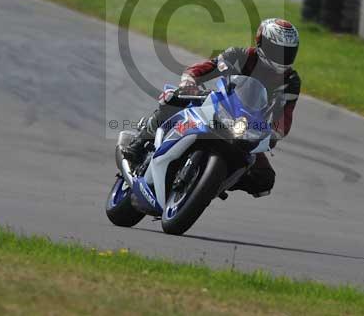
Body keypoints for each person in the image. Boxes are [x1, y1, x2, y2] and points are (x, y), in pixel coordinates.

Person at [121, 18, 301, 197]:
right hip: (218, 106)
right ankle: (141, 141)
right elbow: (202, 69)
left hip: (247, 127)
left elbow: (285, 118)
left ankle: (214, 183)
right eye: (277, 50)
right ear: (262, 42)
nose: (282, 57)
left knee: (265, 180)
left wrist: (272, 133)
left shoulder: (291, 81)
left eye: (288, 52)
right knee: (172, 98)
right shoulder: (240, 55)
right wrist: (189, 82)